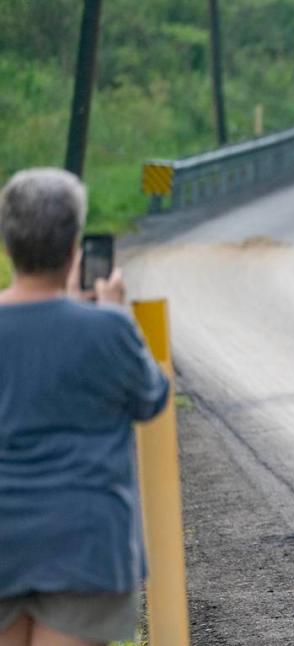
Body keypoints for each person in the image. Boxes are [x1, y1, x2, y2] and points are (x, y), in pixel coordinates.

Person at [0, 168, 170, 645]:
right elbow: (152, 397)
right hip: (85, 543)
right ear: (75, 247)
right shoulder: (106, 330)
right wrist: (116, 315)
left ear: (8, 244)